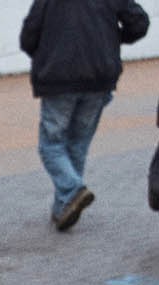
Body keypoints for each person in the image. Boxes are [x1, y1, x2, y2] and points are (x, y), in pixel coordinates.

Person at [20, 0, 148, 231]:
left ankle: (72, 190)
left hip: (58, 79)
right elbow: (139, 23)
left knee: (51, 145)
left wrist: (45, 52)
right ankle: (63, 208)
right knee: (77, 144)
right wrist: (110, 38)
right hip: (99, 77)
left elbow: (29, 35)